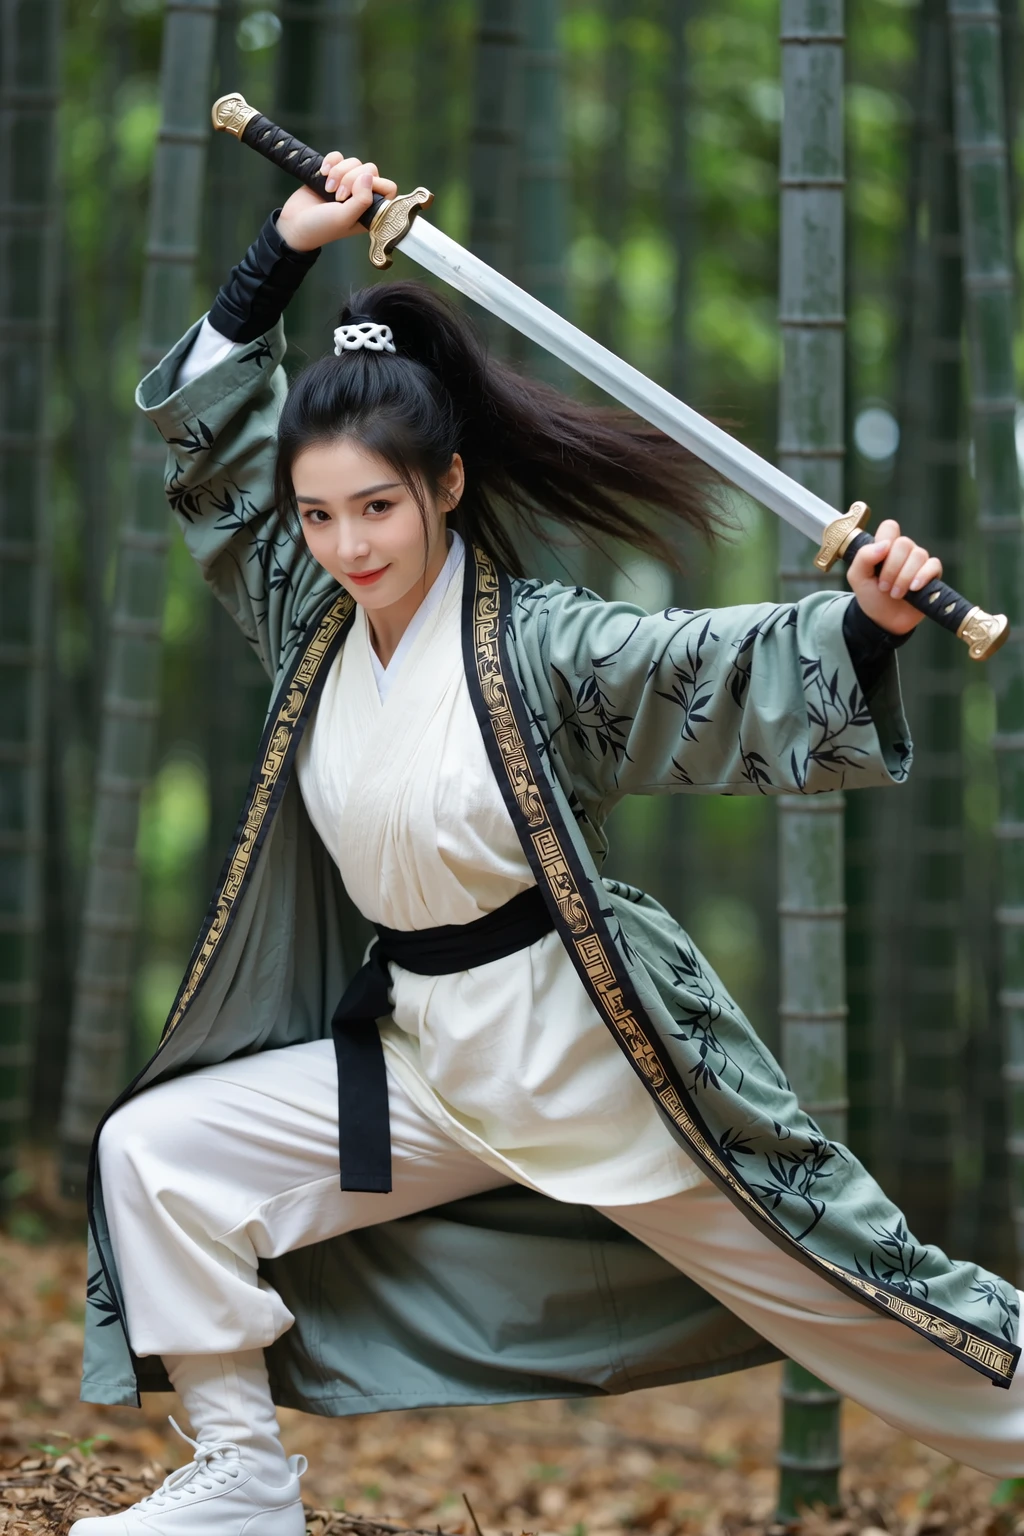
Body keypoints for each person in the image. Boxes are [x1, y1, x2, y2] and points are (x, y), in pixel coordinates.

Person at [72, 156, 1023, 1536]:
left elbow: (698, 662)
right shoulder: (309, 621)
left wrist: (864, 626)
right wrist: (278, 254)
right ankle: (242, 1479)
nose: (346, 545)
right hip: (420, 1055)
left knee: (868, 1305)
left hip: (592, 1051)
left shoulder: (544, 645)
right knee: (159, 1154)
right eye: (320, 514)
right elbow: (214, 448)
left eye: (378, 508)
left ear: (447, 483)